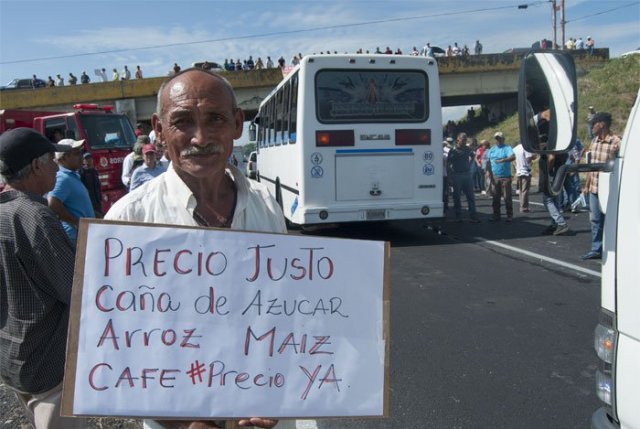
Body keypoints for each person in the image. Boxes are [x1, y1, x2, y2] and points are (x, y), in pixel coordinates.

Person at [105, 67, 283, 429]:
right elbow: (112, 344)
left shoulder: (267, 205)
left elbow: (284, 310)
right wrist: (185, 423)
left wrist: (280, 395)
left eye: (215, 119)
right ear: (158, 128)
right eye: (183, 121)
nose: (200, 138)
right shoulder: (128, 219)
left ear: (237, 124)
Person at [0, 128, 90, 429]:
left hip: (13, 357)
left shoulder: (4, 212)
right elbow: (75, 289)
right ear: (37, 165)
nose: (56, 165)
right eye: (52, 159)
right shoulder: (35, 217)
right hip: (49, 365)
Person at [582, 112, 620, 260]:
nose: (591, 127)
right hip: (594, 188)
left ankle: (612, 248)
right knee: (596, 220)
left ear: (602, 124)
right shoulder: (594, 142)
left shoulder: (616, 142)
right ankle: (596, 248)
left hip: (609, 189)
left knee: (610, 220)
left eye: (593, 124)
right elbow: (591, 166)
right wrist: (586, 185)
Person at [47, 138, 95, 245]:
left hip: (82, 233)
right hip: (74, 237)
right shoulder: (62, 178)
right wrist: (76, 222)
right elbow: (52, 203)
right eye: (77, 153)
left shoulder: (71, 176)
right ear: (64, 158)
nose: (81, 156)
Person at [446, 132, 480, 223]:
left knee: (471, 196)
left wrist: (469, 164)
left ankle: (473, 216)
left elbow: (473, 156)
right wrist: (449, 176)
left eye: (465, 139)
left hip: (467, 174)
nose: (464, 141)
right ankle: (458, 216)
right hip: (457, 175)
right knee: (457, 197)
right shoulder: (453, 150)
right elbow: (448, 163)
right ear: (458, 139)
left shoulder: (468, 149)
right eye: (463, 139)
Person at [486, 132, 515, 222]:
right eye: (496, 138)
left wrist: (503, 160)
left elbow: (513, 157)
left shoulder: (507, 148)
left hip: (506, 177)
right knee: (495, 197)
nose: (498, 140)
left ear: (503, 139)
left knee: (507, 197)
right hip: (495, 177)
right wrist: (489, 174)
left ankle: (509, 215)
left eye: (499, 138)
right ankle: (496, 215)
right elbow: (488, 163)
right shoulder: (491, 150)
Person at [513, 142, 535, 213]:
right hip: (525, 171)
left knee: (521, 190)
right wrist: (532, 159)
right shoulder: (526, 148)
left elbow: (513, 160)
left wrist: (516, 167)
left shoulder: (514, 149)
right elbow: (528, 159)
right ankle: (524, 207)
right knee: (525, 190)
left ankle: (522, 205)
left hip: (518, 171)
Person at [80, 152, 103, 217]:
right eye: (86, 159)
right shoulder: (82, 172)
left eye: (90, 158)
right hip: (89, 200)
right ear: (83, 160)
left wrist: (100, 198)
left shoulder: (94, 171)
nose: (89, 160)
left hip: (97, 201)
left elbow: (98, 186)